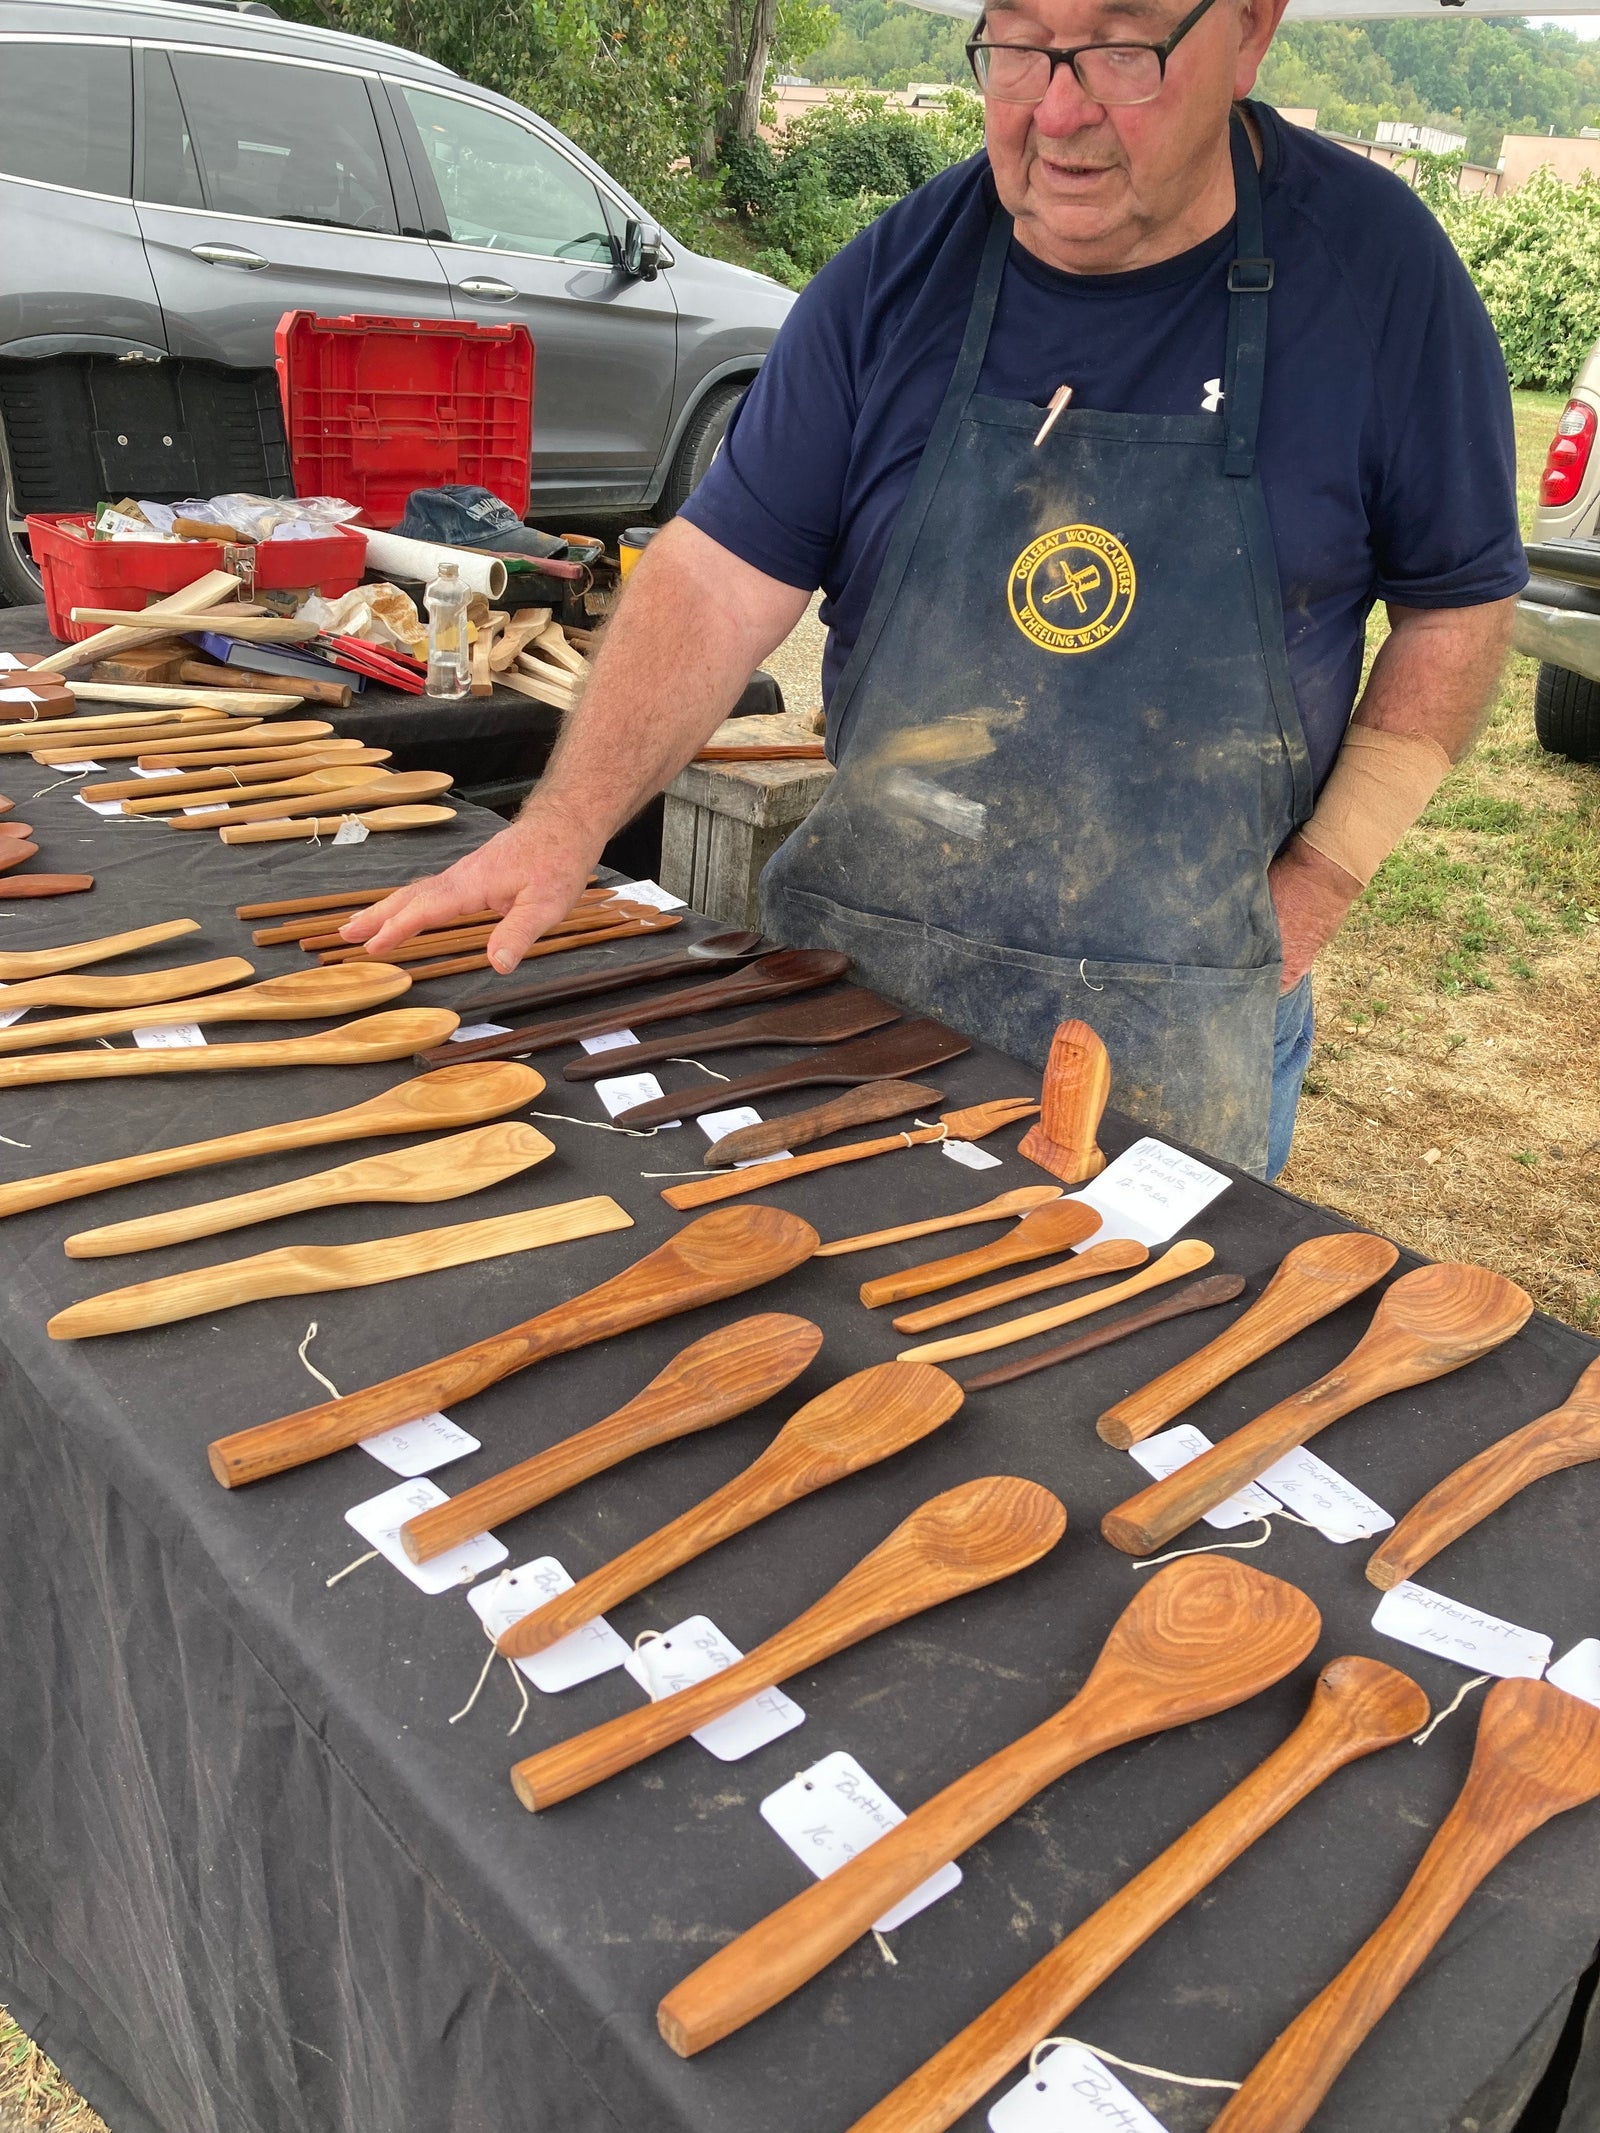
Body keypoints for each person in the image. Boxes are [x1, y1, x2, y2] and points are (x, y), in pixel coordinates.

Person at [345, 0, 1525, 1176]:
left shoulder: (1378, 277)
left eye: (1121, 49)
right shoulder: (898, 277)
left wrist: (1315, 888)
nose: (1058, 113)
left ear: (1248, 34)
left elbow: (1458, 605)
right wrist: (561, 830)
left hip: (1180, 1006)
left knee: (1121, 1348)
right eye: (1016, 47)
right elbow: (714, 578)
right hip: (861, 992)